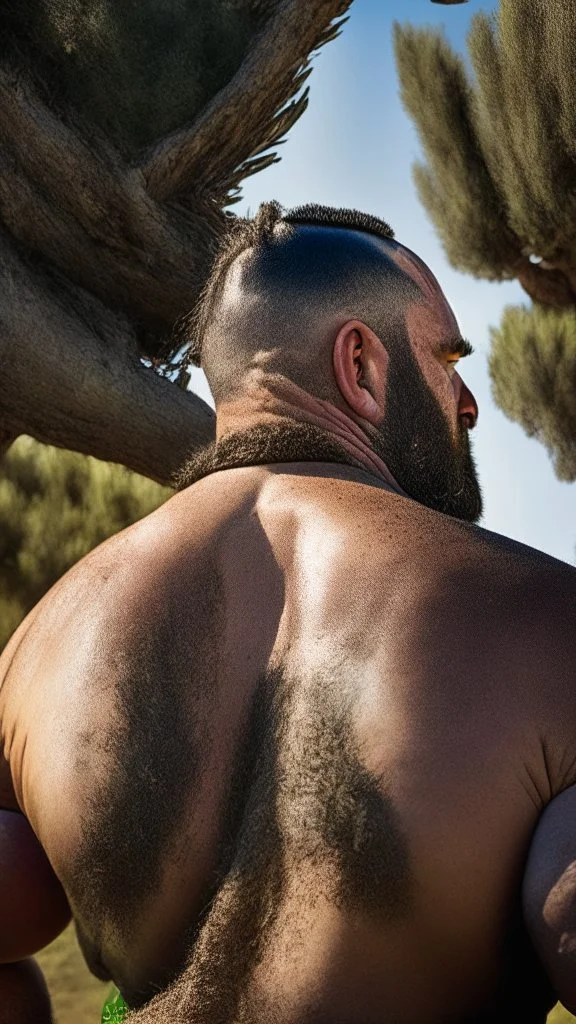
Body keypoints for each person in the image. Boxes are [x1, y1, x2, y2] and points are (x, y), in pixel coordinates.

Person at [0, 201, 574, 1024]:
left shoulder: (38, 650)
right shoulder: (548, 627)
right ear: (362, 368)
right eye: (448, 360)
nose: (469, 401)